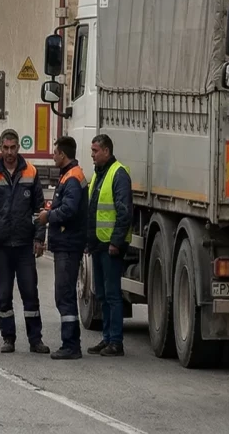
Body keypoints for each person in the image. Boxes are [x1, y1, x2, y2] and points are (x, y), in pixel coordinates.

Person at [0, 128, 49, 354]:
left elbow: (40, 208)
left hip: (24, 245)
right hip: (1, 247)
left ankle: (35, 339)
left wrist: (39, 237)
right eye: (5, 148)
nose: (9, 152)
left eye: (13, 148)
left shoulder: (31, 172)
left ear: (19, 147)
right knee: (4, 294)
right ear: (0, 148)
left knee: (30, 293)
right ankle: (8, 338)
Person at [37, 136, 88, 360]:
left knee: (64, 295)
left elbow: (69, 210)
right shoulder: (69, 175)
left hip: (69, 245)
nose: (53, 155)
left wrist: (48, 216)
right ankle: (70, 343)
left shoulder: (73, 178)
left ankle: (71, 345)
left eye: (55, 152)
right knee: (64, 294)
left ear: (63, 154)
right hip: (67, 244)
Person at [85, 134, 132, 357]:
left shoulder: (118, 173)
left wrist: (116, 241)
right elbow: (93, 208)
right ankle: (106, 339)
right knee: (102, 294)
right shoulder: (99, 174)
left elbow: (124, 211)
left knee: (112, 295)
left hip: (110, 245)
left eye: (95, 151)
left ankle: (116, 342)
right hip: (98, 244)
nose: (92, 155)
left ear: (106, 151)